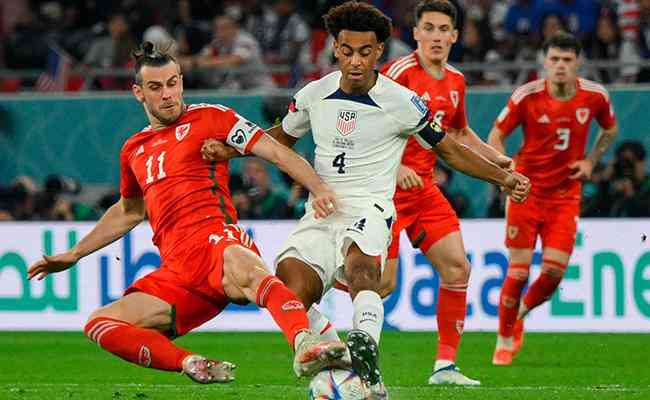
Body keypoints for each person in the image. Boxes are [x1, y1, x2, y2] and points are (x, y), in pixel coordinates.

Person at [201, 2, 530, 397]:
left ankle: (366, 351)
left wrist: (501, 177)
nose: (355, 61)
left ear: (379, 52)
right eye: (347, 50)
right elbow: (280, 138)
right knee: (289, 283)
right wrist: (229, 150)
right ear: (335, 49)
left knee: (361, 265)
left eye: (365, 51)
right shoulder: (314, 94)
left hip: (371, 207)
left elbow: (449, 149)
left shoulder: (402, 102)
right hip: (321, 210)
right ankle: (335, 364)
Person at [26, 41, 347, 384]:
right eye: (155, 87)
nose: (168, 94)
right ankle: (190, 363)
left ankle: (303, 345)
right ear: (138, 93)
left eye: (173, 83)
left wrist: (319, 188)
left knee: (250, 272)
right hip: (178, 273)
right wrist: (74, 254)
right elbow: (128, 211)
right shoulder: (133, 150)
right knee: (100, 324)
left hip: (215, 241)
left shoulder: (213, 117)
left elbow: (277, 152)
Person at [379, 0, 514, 385]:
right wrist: (397, 165)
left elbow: (457, 133)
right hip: (384, 190)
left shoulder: (455, 80)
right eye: (429, 29)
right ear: (416, 33)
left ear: (454, 36)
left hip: (424, 190)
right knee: (383, 285)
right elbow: (369, 126)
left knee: (457, 268)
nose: (436, 36)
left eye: (443, 30)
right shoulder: (397, 74)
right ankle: (324, 277)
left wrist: (497, 160)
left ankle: (444, 367)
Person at [487, 32, 618, 365]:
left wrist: (591, 160)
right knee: (517, 272)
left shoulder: (595, 97)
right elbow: (496, 136)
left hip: (564, 196)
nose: (560, 66)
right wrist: (506, 172)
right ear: (544, 62)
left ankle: (519, 315)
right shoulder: (527, 96)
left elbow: (610, 130)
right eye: (554, 59)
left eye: (567, 60)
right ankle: (503, 339)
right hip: (526, 192)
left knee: (554, 273)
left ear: (578, 63)